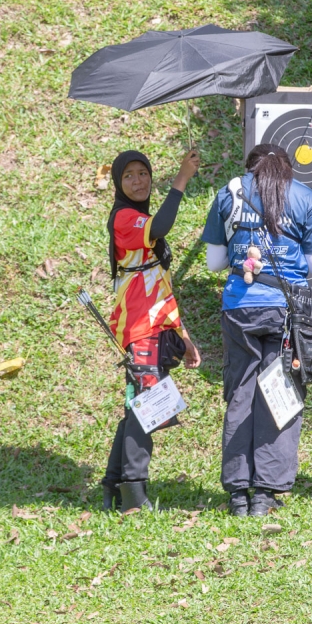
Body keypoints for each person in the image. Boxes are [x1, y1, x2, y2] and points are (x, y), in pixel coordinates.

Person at [201, 144, 312, 516]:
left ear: (249, 168)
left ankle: (238, 493)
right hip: (285, 311)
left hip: (239, 308)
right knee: (280, 393)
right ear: (287, 168)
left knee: (241, 393)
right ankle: (266, 493)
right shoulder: (305, 196)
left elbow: (213, 263)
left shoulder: (229, 193)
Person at [101, 148, 202, 512]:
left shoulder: (138, 217)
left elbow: (160, 286)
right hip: (139, 325)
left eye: (143, 173)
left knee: (137, 407)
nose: (138, 181)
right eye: (129, 175)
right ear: (118, 183)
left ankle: (113, 487)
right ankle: (134, 495)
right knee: (148, 408)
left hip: (155, 322)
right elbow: (160, 227)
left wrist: (185, 336)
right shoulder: (125, 219)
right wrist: (183, 178)